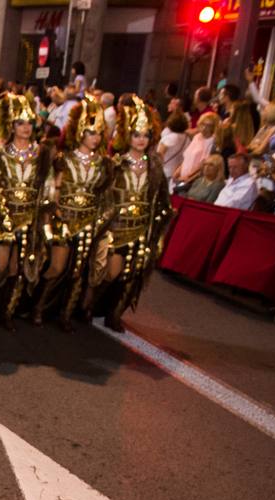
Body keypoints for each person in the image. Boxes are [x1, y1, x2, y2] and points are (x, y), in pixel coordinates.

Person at [91, 96, 172, 332]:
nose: (141, 140)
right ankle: (91, 306)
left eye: (146, 135)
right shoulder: (115, 164)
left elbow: (162, 200)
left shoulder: (155, 166)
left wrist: (157, 232)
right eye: (137, 135)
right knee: (110, 273)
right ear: (128, 136)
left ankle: (114, 315)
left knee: (132, 275)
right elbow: (102, 196)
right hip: (116, 228)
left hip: (142, 229)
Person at [32, 97, 112, 330]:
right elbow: (52, 189)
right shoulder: (62, 159)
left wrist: (99, 222)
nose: (95, 137)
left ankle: (67, 313)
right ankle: (38, 306)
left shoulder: (104, 164)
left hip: (88, 222)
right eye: (90, 132)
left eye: (98, 133)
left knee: (78, 271)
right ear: (79, 132)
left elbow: (103, 196)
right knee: (56, 267)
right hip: (62, 220)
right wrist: (54, 215)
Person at [0, 91, 51, 330]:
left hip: (29, 221)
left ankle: (7, 311)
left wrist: (44, 220)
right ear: (11, 125)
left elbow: (47, 187)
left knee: (18, 269)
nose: (25, 127)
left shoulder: (42, 154)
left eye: (29, 122)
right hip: (3, 219)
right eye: (20, 122)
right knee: (0, 266)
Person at [157, 112, 189, 181]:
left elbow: (160, 154)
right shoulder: (187, 138)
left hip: (164, 171)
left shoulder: (169, 138)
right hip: (176, 172)